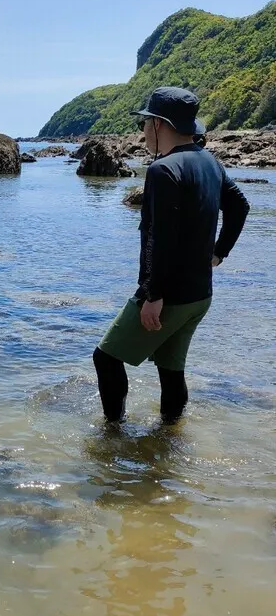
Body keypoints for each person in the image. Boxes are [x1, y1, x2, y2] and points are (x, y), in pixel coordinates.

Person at [93, 87, 250, 423]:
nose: (143, 132)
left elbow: (159, 240)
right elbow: (240, 206)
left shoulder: (163, 171)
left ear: (159, 125)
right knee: (170, 368)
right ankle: (170, 439)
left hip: (170, 295)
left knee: (106, 358)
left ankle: (111, 437)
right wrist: (219, 253)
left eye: (144, 123)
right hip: (199, 294)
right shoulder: (210, 161)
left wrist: (153, 295)